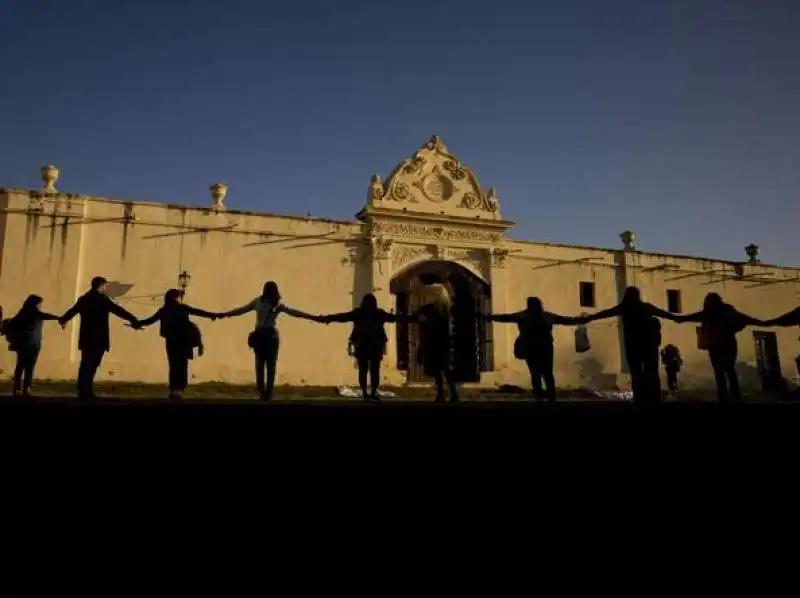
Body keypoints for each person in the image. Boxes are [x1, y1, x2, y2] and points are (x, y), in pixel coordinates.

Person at [220, 281, 318, 401]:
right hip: (271, 337)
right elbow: (294, 312)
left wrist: (224, 314)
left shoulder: (259, 302)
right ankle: (267, 394)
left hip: (261, 336)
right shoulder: (276, 305)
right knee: (270, 367)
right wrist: (311, 317)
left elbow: (241, 310)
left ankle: (264, 394)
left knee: (260, 366)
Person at [582, 286, 680, 404]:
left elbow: (607, 313)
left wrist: (589, 318)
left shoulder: (625, 307)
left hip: (633, 345)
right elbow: (663, 313)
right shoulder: (645, 307)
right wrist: (678, 318)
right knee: (652, 372)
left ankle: (639, 398)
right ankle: (654, 397)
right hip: (648, 345)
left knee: (636, 372)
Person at [485, 297, 582, 402]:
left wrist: (489, 317)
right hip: (545, 348)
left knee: (536, 374)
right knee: (547, 374)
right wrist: (584, 319)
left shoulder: (524, 316)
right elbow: (566, 320)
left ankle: (540, 397)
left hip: (531, 348)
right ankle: (550, 398)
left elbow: (505, 318)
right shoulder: (546, 316)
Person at [59, 276, 140, 399]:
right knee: (92, 364)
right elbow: (118, 310)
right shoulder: (102, 299)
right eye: (105, 286)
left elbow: (73, 311)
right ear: (101, 286)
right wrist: (133, 319)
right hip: (99, 337)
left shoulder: (84, 299)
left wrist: (64, 319)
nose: (105, 288)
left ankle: (83, 389)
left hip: (86, 337)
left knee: (86, 363)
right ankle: (86, 390)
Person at [673, 292, 762, 403]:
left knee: (722, 371)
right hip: (725, 344)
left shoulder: (713, 312)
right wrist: (760, 323)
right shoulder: (724, 311)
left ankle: (725, 395)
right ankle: (732, 395)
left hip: (717, 345)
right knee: (728, 370)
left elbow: (695, 316)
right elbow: (743, 319)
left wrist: (678, 318)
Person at [136, 289, 218, 400]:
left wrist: (136, 323)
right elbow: (199, 312)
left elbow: (150, 320)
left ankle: (173, 388)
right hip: (184, 340)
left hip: (171, 340)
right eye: (179, 296)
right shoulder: (182, 308)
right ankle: (179, 389)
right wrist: (213, 315)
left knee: (173, 363)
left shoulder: (164, 310)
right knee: (183, 364)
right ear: (176, 297)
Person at [320, 293, 402, 401]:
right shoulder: (378, 313)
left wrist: (327, 318)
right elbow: (394, 318)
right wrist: (412, 318)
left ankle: (365, 392)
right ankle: (371, 392)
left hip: (364, 344)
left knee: (364, 369)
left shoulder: (360, 313)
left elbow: (342, 317)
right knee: (374, 369)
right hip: (374, 345)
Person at [410, 283, 459, 403]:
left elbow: (426, 320)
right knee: (440, 369)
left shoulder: (442, 309)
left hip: (437, 341)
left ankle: (449, 393)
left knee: (443, 368)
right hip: (437, 341)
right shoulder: (441, 308)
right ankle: (445, 394)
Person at [4, 295, 60, 397]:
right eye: (39, 303)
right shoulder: (33, 313)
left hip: (25, 344)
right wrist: (59, 318)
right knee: (29, 367)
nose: (40, 305)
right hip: (32, 344)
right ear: (35, 303)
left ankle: (17, 388)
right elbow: (45, 315)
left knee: (20, 366)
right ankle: (25, 388)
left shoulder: (22, 313)